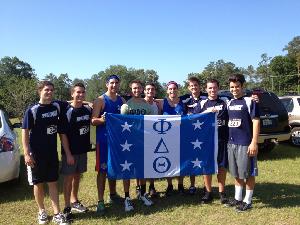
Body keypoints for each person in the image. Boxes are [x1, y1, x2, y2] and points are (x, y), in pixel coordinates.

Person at [22, 80, 69, 225]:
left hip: (51, 153)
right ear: (40, 91)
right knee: (38, 184)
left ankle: (57, 213)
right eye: (46, 90)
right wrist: (26, 153)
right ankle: (42, 211)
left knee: (53, 182)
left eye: (51, 90)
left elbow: (73, 101)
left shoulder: (56, 106)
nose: (49, 92)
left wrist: (91, 103)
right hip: (36, 154)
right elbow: (25, 132)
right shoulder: (32, 110)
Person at [91, 75, 126, 214]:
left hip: (117, 140)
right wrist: (103, 119)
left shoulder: (122, 100)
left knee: (114, 167)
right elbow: (93, 120)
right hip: (104, 140)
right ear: (107, 84)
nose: (114, 85)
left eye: (117, 83)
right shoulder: (100, 100)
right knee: (102, 170)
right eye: (112, 83)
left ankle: (112, 195)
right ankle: (100, 201)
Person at [225, 73, 260, 212]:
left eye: (237, 86)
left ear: (242, 86)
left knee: (248, 173)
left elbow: (256, 121)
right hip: (231, 143)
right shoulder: (229, 102)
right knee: (236, 173)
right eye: (232, 87)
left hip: (246, 143)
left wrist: (254, 142)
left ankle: (248, 201)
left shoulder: (250, 101)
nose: (234, 89)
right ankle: (238, 198)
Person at [120, 80, 154, 211]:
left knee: (142, 169)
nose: (137, 90)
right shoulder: (126, 106)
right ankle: (127, 198)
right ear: (131, 89)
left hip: (143, 141)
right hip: (128, 143)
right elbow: (121, 125)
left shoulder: (147, 106)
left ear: (142, 90)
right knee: (127, 170)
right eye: (134, 88)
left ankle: (142, 194)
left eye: (139, 88)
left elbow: (151, 124)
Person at [60, 83, 91, 220]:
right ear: (72, 94)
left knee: (77, 176)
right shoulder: (67, 111)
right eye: (77, 92)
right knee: (68, 179)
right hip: (70, 152)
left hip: (82, 150)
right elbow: (63, 135)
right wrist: (68, 154)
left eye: (83, 92)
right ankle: (67, 207)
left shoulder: (87, 110)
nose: (80, 94)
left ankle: (74, 201)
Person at [197, 79, 229, 204]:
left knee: (221, 166)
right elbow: (194, 118)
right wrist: (207, 111)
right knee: (207, 166)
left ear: (218, 88)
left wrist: (254, 99)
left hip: (222, 139)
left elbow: (241, 102)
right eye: (210, 88)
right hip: (207, 141)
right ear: (206, 89)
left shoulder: (225, 101)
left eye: (214, 87)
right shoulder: (202, 103)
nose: (212, 90)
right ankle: (208, 192)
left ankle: (222, 193)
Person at [158, 81, 187, 196]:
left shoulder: (183, 103)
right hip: (165, 137)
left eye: (174, 88)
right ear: (167, 90)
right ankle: (169, 185)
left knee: (181, 161)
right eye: (170, 89)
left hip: (181, 136)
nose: (172, 90)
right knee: (167, 160)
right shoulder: (161, 103)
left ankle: (180, 185)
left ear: (177, 89)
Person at [183, 76, 204, 195]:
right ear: (188, 88)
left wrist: (253, 97)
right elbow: (169, 99)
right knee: (193, 160)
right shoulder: (186, 100)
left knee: (205, 159)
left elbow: (226, 99)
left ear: (199, 86)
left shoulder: (206, 98)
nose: (194, 87)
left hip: (204, 135)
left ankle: (208, 186)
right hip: (191, 136)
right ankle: (192, 185)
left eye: (196, 85)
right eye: (191, 86)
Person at [144, 83, 160, 197]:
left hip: (154, 137)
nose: (150, 91)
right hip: (142, 137)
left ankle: (152, 186)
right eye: (148, 89)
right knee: (142, 163)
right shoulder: (140, 103)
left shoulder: (157, 104)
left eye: (152, 89)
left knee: (152, 162)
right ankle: (141, 187)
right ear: (144, 91)